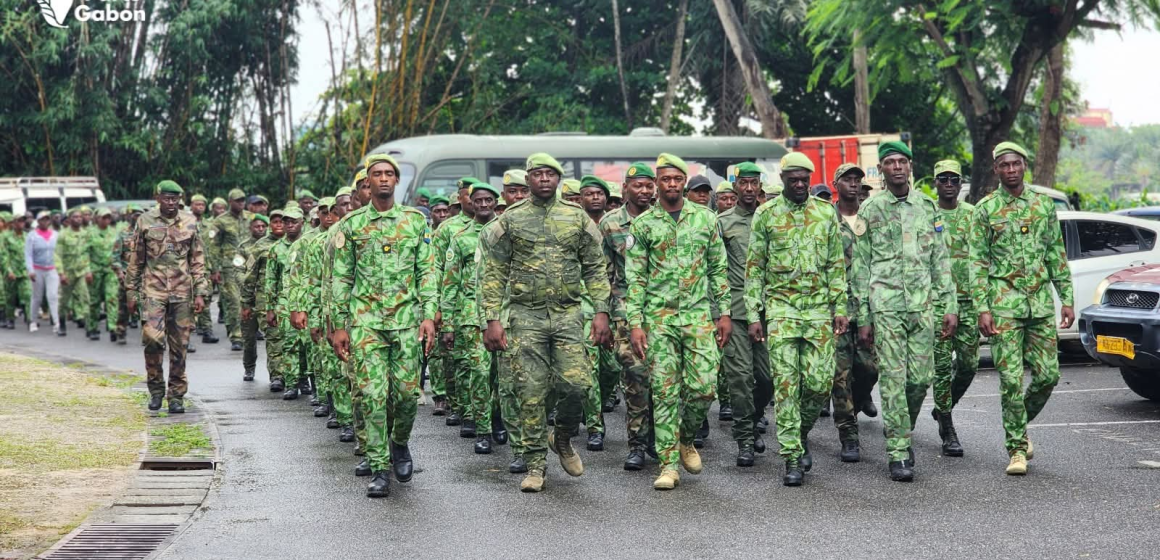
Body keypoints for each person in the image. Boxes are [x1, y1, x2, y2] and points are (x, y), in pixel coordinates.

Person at [480, 152, 611, 493]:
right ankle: (535, 465)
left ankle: (563, 437)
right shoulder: (510, 220)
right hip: (526, 316)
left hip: (568, 314)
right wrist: (491, 319)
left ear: (558, 180)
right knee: (531, 391)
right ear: (528, 180)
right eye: (537, 174)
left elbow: (596, 267)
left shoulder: (577, 218)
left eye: (549, 174)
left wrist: (601, 311)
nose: (543, 180)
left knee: (578, 386)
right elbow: (494, 272)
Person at [331, 153, 438, 498]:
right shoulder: (352, 225)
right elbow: (341, 278)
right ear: (368, 182)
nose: (383, 179)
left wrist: (429, 316)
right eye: (376, 174)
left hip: (406, 322)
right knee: (373, 397)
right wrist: (339, 326)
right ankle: (379, 467)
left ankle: (400, 442)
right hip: (366, 324)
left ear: (396, 181)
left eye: (389, 174)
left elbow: (427, 271)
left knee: (407, 395)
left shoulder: (415, 222)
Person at [853, 141, 957, 482]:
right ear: (881, 170)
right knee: (894, 382)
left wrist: (949, 305)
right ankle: (898, 451)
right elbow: (860, 267)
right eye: (890, 162)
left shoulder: (928, 207)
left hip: (922, 307)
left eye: (902, 161)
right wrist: (864, 316)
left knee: (920, 380)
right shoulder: (870, 210)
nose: (897, 167)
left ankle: (901, 429)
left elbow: (940, 261)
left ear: (910, 167)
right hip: (886, 308)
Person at [969, 141, 1073, 476]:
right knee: (1011, 380)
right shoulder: (985, 209)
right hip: (1003, 308)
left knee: (1048, 375)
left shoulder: (1043, 206)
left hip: (1040, 306)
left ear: (1024, 165)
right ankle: (1016, 448)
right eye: (1004, 165)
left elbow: (1056, 253)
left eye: (1015, 164)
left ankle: (1019, 424)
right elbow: (977, 263)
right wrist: (982, 309)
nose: (1010, 170)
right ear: (996, 169)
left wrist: (1067, 298)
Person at [626, 153, 730, 491]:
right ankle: (668, 464)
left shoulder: (705, 219)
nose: (671, 184)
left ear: (684, 181)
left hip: (699, 316)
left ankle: (686, 438)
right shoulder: (642, 225)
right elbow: (635, 278)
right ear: (657, 183)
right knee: (665, 392)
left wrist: (724, 312)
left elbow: (717, 269)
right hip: (659, 320)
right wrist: (635, 323)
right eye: (665, 179)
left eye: (676, 178)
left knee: (704, 387)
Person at [746, 153, 847, 486]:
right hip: (781, 311)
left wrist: (840, 307)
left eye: (805, 179)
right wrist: (754, 313)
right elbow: (754, 268)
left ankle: (799, 433)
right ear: (784, 179)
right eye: (794, 180)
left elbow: (835, 264)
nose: (801, 185)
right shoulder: (766, 214)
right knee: (787, 385)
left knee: (819, 384)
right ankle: (791, 456)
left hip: (818, 311)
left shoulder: (824, 213)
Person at [126, 180, 209, 414]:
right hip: (153, 291)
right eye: (167, 198)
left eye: (175, 198)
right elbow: (137, 258)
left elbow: (198, 261)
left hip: (183, 293)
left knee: (180, 345)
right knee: (152, 339)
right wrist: (131, 291)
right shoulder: (144, 221)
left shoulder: (191, 222)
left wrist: (201, 292)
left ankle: (176, 396)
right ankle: (155, 390)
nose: (171, 203)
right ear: (158, 198)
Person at [599, 162, 657, 471]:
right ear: (626, 189)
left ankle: (660, 440)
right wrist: (603, 316)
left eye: (649, 185)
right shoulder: (609, 224)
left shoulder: (664, 221)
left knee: (662, 380)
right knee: (636, 377)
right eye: (638, 185)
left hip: (660, 312)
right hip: (623, 311)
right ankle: (636, 444)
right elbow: (600, 274)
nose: (644, 191)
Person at [441, 181, 504, 454]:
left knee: (502, 375)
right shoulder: (461, 237)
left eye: (487, 200)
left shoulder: (507, 231)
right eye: (477, 200)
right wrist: (448, 324)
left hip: (504, 314)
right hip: (470, 314)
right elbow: (450, 282)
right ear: (471, 203)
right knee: (478, 373)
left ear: (494, 202)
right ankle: (483, 430)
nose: (482, 205)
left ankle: (499, 418)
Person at [718, 162, 773, 468]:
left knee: (766, 379)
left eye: (754, 183)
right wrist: (718, 311)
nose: (749, 188)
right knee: (740, 378)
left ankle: (753, 419)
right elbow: (714, 269)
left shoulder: (772, 218)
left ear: (760, 186)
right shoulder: (722, 222)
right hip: (736, 310)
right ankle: (745, 440)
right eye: (744, 183)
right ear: (735, 186)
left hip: (768, 310)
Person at [829, 163, 879, 463]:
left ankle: (859, 401)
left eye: (857, 180)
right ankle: (848, 434)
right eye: (847, 179)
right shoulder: (825, 219)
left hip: (868, 308)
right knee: (838, 376)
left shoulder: (871, 216)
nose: (853, 184)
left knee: (870, 369)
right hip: (835, 309)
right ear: (836, 184)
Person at [931, 159, 978, 457]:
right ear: (935, 182)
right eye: (943, 179)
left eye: (954, 179)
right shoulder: (927, 215)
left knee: (969, 365)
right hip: (937, 303)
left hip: (969, 301)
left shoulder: (973, 215)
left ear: (961, 183)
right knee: (941, 367)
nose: (949, 184)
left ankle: (943, 407)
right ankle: (947, 427)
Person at [431, 177, 479, 423]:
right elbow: (437, 268)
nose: (473, 200)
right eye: (468, 195)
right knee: (456, 360)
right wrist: (437, 307)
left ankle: (479, 412)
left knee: (478, 364)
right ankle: (458, 404)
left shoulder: (495, 225)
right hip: (457, 306)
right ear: (460, 199)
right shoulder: (448, 229)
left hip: (482, 307)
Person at [494, 169, 532, 473]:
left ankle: (544, 436)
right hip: (507, 322)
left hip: (542, 320)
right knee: (509, 387)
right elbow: (485, 282)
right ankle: (522, 449)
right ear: (504, 195)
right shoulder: (493, 232)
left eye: (523, 191)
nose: (518, 197)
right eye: (512, 192)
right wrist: (489, 321)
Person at [207, 189, 251, 351]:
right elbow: (213, 246)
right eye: (237, 200)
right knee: (233, 300)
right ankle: (236, 335)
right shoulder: (220, 221)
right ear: (230, 202)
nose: (241, 203)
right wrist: (215, 268)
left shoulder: (250, 218)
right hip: (229, 266)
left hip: (249, 265)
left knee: (249, 300)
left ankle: (248, 332)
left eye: (243, 200)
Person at [238, 213, 271, 381]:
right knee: (249, 337)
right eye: (257, 226)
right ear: (250, 227)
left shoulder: (271, 245)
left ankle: (276, 374)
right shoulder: (247, 248)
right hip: (249, 297)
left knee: (272, 336)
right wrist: (246, 294)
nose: (260, 229)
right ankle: (249, 368)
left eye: (263, 226)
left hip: (266, 299)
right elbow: (240, 271)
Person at [24, 211, 61, 334]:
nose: (45, 222)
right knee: (37, 297)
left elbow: (59, 253)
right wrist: (30, 270)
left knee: (53, 295)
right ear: (38, 221)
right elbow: (28, 254)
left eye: (47, 219)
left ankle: (56, 322)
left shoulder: (55, 235)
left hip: (52, 268)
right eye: (42, 220)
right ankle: (33, 321)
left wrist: (61, 270)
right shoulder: (32, 235)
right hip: (37, 268)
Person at [112, 204, 144, 341]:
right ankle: (121, 330)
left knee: (146, 305)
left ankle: (148, 333)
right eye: (134, 215)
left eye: (139, 215)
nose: (136, 217)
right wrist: (119, 272)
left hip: (143, 275)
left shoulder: (148, 233)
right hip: (126, 274)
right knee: (124, 305)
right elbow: (115, 256)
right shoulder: (123, 233)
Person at [87, 209, 120, 341]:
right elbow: (84, 253)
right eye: (103, 217)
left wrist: (119, 268)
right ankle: (93, 327)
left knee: (112, 298)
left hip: (110, 270)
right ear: (97, 218)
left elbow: (118, 251)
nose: (106, 220)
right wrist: (87, 270)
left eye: (108, 217)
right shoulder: (89, 233)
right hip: (94, 270)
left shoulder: (113, 232)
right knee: (94, 301)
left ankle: (112, 327)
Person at [57, 209, 91, 334]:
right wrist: (61, 273)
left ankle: (89, 326)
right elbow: (57, 255)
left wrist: (88, 271)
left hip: (81, 271)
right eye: (75, 217)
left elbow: (87, 254)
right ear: (70, 219)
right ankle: (61, 324)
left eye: (80, 217)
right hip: (68, 272)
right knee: (64, 301)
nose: (78, 219)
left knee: (85, 298)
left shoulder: (85, 234)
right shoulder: (63, 234)